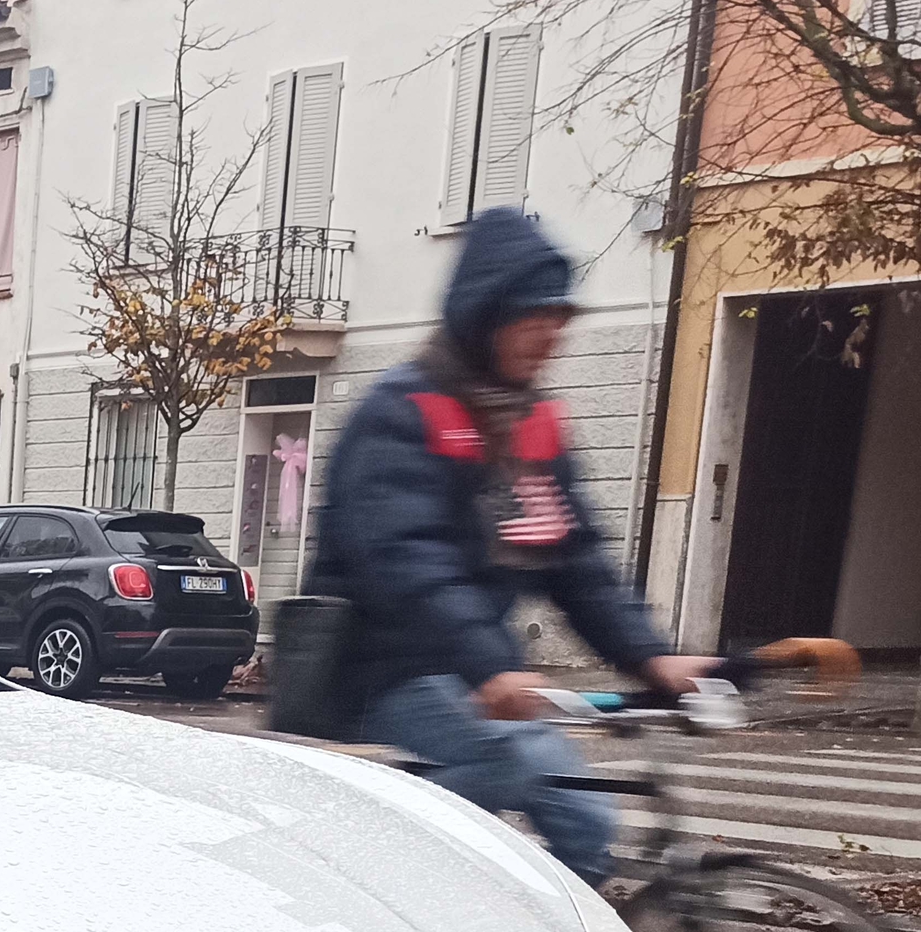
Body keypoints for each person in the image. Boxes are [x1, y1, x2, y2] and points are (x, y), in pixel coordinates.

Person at [307, 208, 718, 885]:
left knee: (588, 821)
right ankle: (385, 899)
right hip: (379, 669)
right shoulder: (404, 412)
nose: (553, 337)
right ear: (486, 314)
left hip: (469, 672)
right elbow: (407, 560)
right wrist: (491, 664)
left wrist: (653, 657)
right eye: (536, 318)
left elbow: (576, 560)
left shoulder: (530, 425)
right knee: (506, 761)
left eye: (560, 320)